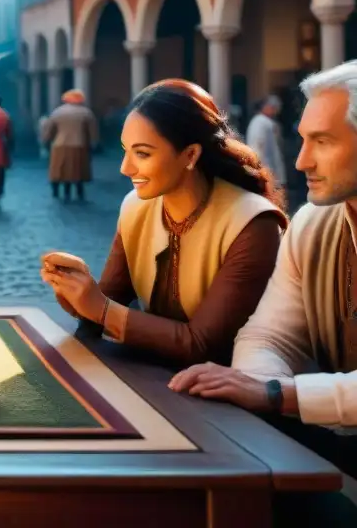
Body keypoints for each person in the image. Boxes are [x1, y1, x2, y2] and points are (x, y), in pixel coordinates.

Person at [170, 63, 357, 477]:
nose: (303, 159)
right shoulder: (312, 224)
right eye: (304, 139)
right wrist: (261, 386)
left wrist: (278, 395)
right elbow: (268, 334)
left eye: (323, 141)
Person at [41, 79, 288, 367]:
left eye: (142, 153)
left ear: (191, 155)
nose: (125, 168)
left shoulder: (253, 224)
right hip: (153, 378)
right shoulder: (136, 207)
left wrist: (101, 309)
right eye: (125, 150)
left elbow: (202, 344)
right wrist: (74, 287)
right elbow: (106, 303)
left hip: (229, 391)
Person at [39, 89, 99, 201]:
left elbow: (49, 130)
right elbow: (93, 131)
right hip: (79, 145)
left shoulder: (57, 112)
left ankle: (57, 192)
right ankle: (79, 193)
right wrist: (94, 143)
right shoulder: (86, 113)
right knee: (78, 170)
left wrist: (45, 141)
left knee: (58, 170)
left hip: (59, 145)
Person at [245, 94, 288, 188]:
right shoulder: (264, 123)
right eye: (274, 109)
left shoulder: (257, 121)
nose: (275, 113)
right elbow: (268, 151)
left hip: (261, 169)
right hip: (267, 170)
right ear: (268, 107)